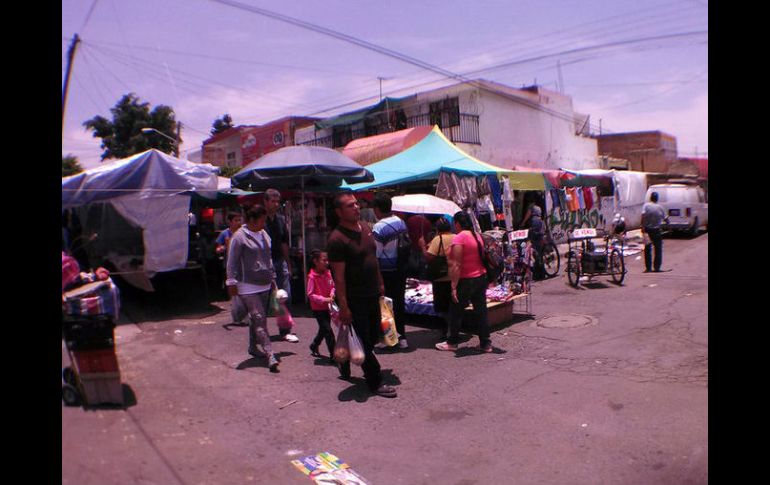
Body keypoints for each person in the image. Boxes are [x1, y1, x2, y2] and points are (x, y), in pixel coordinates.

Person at [327, 192, 397, 398]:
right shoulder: (337, 239)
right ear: (339, 212)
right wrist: (344, 306)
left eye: (356, 204)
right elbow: (339, 277)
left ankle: (345, 358)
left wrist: (380, 282)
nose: (356, 207)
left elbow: (372, 258)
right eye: (350, 206)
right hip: (355, 297)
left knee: (374, 335)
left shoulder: (365, 228)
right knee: (364, 340)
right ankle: (375, 380)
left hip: (372, 293)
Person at [225, 205, 280, 372]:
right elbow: (232, 261)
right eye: (261, 220)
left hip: (264, 282)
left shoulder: (264, 234)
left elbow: (268, 258)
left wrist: (273, 277)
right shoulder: (239, 237)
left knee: (257, 319)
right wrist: (231, 282)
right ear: (252, 220)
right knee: (259, 317)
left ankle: (252, 346)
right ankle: (270, 354)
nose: (264, 223)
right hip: (247, 285)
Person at [435, 211, 493, 353]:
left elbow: (457, 264)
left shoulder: (460, 237)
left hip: (467, 279)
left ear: (457, 223)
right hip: (481, 277)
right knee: (481, 311)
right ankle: (485, 343)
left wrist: (454, 286)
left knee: (456, 311)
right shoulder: (477, 235)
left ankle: (452, 342)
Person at [371, 193, 410, 350]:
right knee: (399, 303)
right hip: (400, 268)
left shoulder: (379, 227)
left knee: (385, 306)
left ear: (377, 209)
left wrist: (378, 278)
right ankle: (402, 337)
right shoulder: (400, 222)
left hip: (385, 271)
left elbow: (376, 255)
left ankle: (389, 339)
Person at [263, 188, 299, 343]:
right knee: (263, 299)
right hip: (263, 264)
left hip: (279, 261)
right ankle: (260, 332)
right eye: (273, 201)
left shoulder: (280, 219)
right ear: (265, 202)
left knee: (285, 296)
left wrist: (288, 264)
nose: (276, 204)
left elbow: (284, 243)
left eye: (278, 202)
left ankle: (285, 330)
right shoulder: (259, 219)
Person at [422, 217, 455, 341]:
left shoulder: (438, 239)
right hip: (455, 276)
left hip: (441, 278)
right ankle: (453, 328)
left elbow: (428, 257)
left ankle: (449, 329)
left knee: (442, 307)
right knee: (452, 304)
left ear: (437, 229)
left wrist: (422, 246)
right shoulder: (456, 237)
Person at [307, 249, 336, 362]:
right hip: (318, 309)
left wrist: (332, 293)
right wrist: (324, 299)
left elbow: (333, 286)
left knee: (323, 329)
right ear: (316, 261)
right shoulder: (312, 277)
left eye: (327, 260)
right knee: (328, 331)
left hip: (328, 307)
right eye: (324, 260)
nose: (327, 262)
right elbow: (310, 294)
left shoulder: (328, 273)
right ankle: (334, 355)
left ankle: (314, 345)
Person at [641, 191, 669, 273]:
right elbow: (666, 219)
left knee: (647, 249)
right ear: (657, 199)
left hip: (647, 230)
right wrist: (667, 223)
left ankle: (648, 268)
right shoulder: (660, 207)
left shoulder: (646, 206)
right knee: (658, 249)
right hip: (656, 230)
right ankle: (657, 267)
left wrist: (642, 226)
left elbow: (643, 215)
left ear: (650, 198)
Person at [526, 205, 546, 280]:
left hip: (535, 239)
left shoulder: (533, 220)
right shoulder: (540, 220)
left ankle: (537, 275)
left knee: (536, 256)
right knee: (539, 256)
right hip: (540, 238)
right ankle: (541, 274)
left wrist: (529, 236)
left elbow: (532, 230)